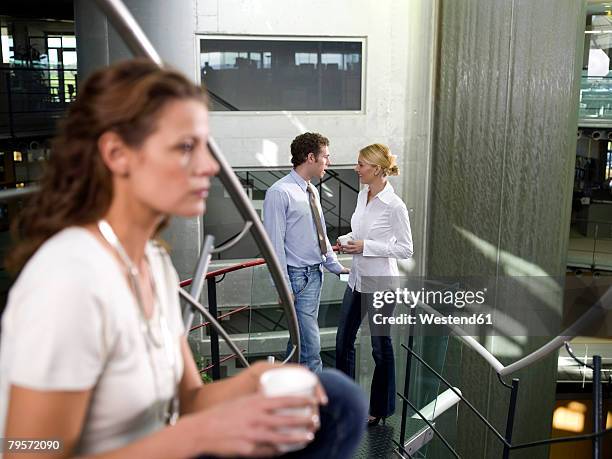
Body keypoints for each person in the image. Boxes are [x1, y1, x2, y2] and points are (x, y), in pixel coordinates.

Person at [0, 59, 367, 458]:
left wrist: (252, 381)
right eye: (185, 147)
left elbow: (190, 397)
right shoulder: (66, 280)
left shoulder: (151, 260)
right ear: (118, 154)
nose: (209, 167)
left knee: (337, 400)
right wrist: (198, 435)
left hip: (169, 444)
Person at [335, 143, 413, 426]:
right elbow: (359, 232)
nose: (357, 169)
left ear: (377, 169)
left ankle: (380, 409)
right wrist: (346, 241)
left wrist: (366, 246)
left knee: (380, 348)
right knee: (343, 342)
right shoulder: (362, 195)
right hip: (356, 280)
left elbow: (406, 249)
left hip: (381, 285)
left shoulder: (395, 206)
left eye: (361, 165)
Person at [263, 133, 349, 374]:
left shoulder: (311, 191)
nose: (328, 163)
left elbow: (318, 233)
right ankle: (318, 408)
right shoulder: (279, 193)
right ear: (311, 157)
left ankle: (286, 396)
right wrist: (284, 287)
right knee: (311, 349)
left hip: (315, 275)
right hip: (296, 278)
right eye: (325, 157)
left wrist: (334, 265)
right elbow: (274, 245)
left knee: (298, 342)